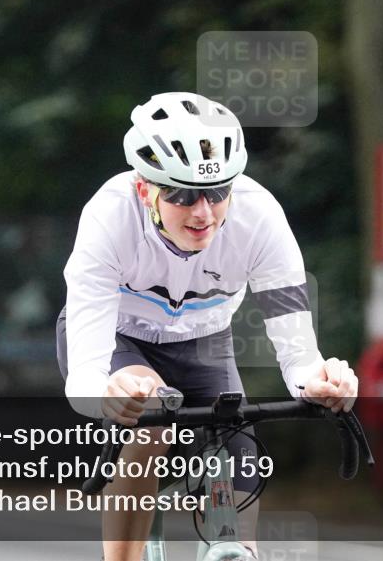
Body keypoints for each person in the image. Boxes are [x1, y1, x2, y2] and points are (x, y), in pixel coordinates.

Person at [56, 92, 359, 561]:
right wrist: (107, 394)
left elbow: (300, 356)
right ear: (144, 190)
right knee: (149, 417)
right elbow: (85, 381)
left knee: (236, 442)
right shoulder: (108, 217)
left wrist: (320, 382)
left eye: (218, 193)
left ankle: (233, 550)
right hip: (118, 339)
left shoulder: (260, 218)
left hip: (203, 343)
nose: (203, 212)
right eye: (181, 194)